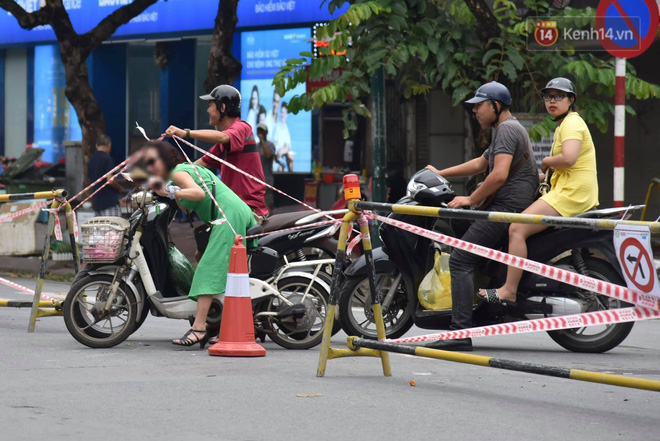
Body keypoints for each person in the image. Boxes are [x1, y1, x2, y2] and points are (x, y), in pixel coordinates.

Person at [425, 81, 538, 351]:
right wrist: (440, 172)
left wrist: (471, 199)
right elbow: (481, 163)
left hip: (505, 210)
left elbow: (498, 175)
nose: (475, 111)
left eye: (479, 105)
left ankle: (460, 332)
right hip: (504, 206)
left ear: (495, 106)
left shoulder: (508, 130)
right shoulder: (505, 130)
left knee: (461, 260)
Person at [478, 77, 598, 305]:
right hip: (566, 190)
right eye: (548, 96)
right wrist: (539, 175)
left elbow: (569, 158)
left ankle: (508, 290)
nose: (552, 101)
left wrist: (547, 161)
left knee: (516, 228)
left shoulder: (572, 123)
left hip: (571, 195)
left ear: (570, 100)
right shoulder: (565, 124)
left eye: (559, 96)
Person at [144, 141, 256, 348]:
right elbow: (186, 209)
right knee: (202, 258)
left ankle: (199, 328)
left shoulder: (178, 172)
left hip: (227, 216)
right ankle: (219, 323)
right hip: (228, 213)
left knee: (208, 268)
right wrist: (167, 191)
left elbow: (198, 194)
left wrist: (169, 192)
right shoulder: (179, 174)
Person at [163, 85, 269, 223]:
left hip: (248, 211)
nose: (207, 110)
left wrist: (185, 133)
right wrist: (167, 180)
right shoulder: (221, 147)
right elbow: (195, 167)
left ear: (222, 108)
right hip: (234, 209)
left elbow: (223, 137)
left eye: (210, 105)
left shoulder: (242, 127)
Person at [87, 135, 124, 216]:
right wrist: (119, 187)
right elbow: (110, 180)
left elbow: (90, 179)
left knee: (99, 228)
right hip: (109, 203)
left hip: (96, 203)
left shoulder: (91, 160)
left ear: (96, 145)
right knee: (113, 227)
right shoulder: (107, 158)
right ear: (109, 145)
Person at [256, 122, 275, 211]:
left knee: (267, 207)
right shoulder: (255, 146)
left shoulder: (270, 145)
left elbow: (268, 155)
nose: (260, 133)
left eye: (262, 131)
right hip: (256, 182)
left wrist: (263, 141)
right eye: (258, 130)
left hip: (267, 181)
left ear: (266, 132)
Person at [274, 102, 293, 172]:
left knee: (290, 157)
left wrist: (282, 151)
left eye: (284, 113)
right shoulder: (277, 126)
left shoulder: (286, 128)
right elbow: (274, 143)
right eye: (281, 112)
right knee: (279, 168)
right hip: (276, 155)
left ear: (287, 115)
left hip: (283, 154)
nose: (282, 114)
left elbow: (288, 146)